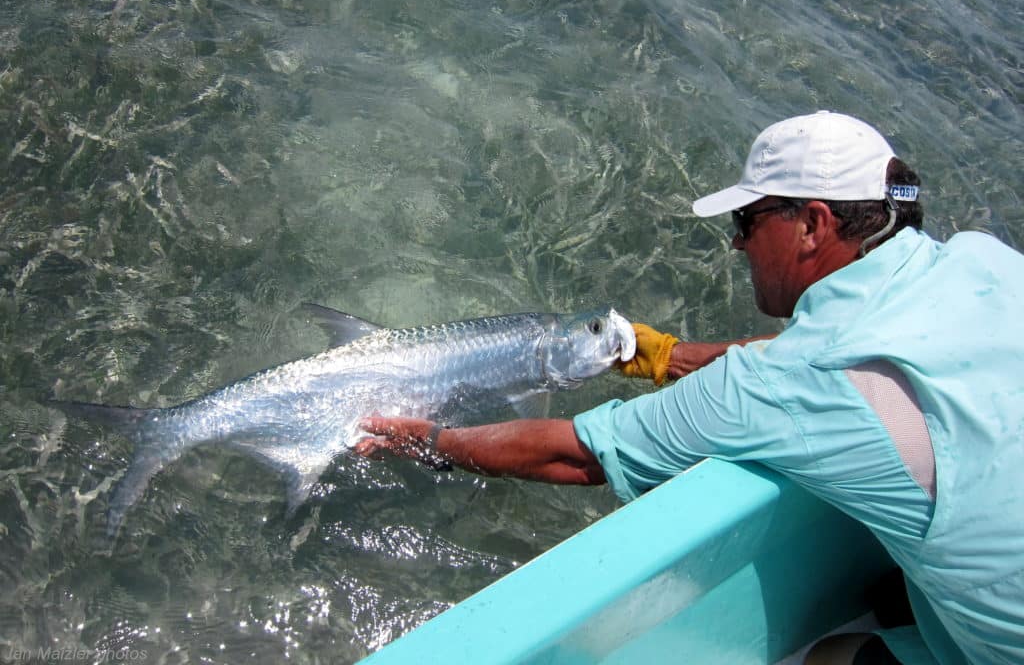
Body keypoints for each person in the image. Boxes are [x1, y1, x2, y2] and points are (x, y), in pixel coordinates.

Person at [354, 111, 1024, 665]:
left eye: (746, 223)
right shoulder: (983, 258)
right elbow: (827, 351)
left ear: (813, 225)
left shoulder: (782, 384)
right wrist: (663, 358)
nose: (735, 246)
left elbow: (577, 453)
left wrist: (423, 438)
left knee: (832, 656)